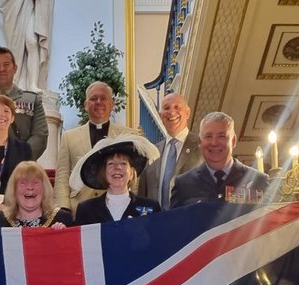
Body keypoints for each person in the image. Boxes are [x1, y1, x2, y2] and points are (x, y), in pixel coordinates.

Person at [55, 81, 141, 212]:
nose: (98, 102)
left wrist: (133, 206)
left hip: (118, 208)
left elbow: (135, 175)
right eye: (93, 98)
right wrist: (63, 208)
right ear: (85, 105)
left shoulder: (128, 135)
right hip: (79, 208)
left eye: (103, 98)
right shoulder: (69, 137)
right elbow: (62, 176)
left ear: (112, 104)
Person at [172, 112, 270, 208]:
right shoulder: (183, 184)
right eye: (208, 136)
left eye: (222, 136)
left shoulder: (258, 180)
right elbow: (174, 222)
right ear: (200, 142)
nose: (214, 143)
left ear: (233, 141)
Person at [72, 134, 161, 225]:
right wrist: (60, 230)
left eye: (123, 163)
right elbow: (75, 238)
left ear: (131, 173)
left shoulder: (151, 207)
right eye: (111, 164)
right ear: (103, 172)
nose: (117, 167)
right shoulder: (86, 210)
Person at [140, 93, 203, 209]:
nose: (171, 112)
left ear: (187, 113)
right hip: (155, 223)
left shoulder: (202, 147)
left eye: (177, 107)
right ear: (160, 115)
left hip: (190, 222)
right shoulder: (151, 152)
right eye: (166, 108)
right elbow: (143, 195)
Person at [0, 161, 72, 229]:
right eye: (23, 183)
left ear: (44, 188)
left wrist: (63, 236)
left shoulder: (63, 218)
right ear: (14, 190)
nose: (30, 188)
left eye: (35, 183)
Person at [0, 0, 53, 93]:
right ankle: (14, 80)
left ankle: (32, 84)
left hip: (32, 5)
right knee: (15, 45)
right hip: (15, 4)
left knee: (32, 42)